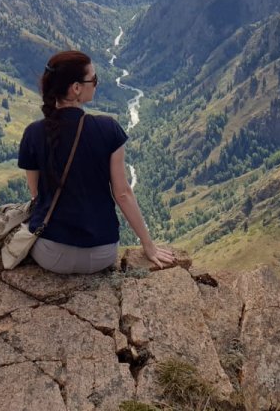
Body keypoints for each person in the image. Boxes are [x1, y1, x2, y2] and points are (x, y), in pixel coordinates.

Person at [17, 49, 174, 274]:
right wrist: (148, 246)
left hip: (51, 255)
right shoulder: (108, 129)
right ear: (76, 88)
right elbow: (122, 193)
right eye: (94, 79)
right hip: (102, 254)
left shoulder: (33, 133)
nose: (97, 84)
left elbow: (35, 193)